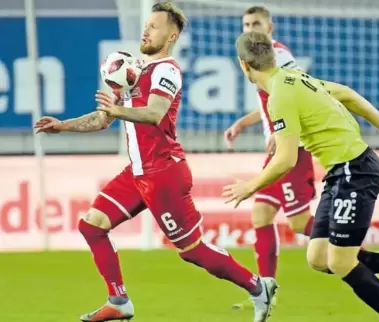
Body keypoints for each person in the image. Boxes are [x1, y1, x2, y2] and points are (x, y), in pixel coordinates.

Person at [34, 4, 277, 322]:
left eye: (154, 26)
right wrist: (63, 125)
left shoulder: (167, 71)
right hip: (136, 172)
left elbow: (154, 113)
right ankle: (118, 301)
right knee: (91, 225)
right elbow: (104, 118)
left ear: (171, 35)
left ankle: (259, 287)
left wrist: (117, 109)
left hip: (163, 172)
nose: (146, 30)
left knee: (192, 251)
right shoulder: (134, 72)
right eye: (146, 25)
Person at [223, 31, 379, 322]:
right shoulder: (295, 78)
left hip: (355, 169)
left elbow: (286, 159)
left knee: (341, 261)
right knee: (319, 258)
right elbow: (346, 93)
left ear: (243, 65)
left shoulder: (279, 96)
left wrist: (251, 186)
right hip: (341, 172)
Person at [224, 6, 315, 310]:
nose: (251, 28)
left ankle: (358, 251)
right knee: (261, 215)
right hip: (276, 148)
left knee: (300, 223)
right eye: (246, 24)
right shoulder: (258, 61)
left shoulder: (280, 56)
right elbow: (266, 107)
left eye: (256, 23)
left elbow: (301, 93)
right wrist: (242, 123)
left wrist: (282, 130)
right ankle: (266, 289)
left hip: (292, 149)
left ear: (270, 27)